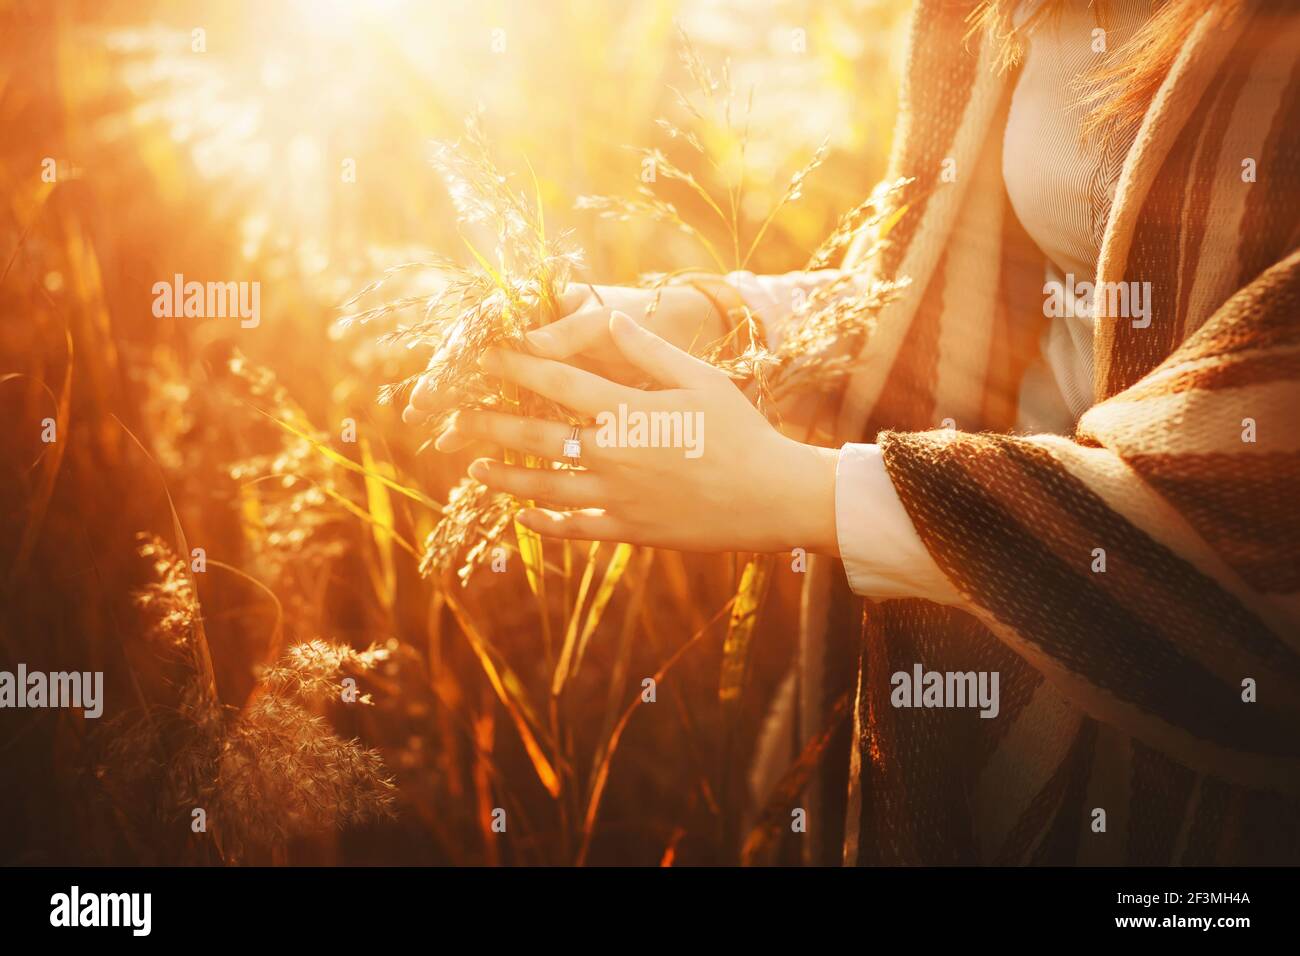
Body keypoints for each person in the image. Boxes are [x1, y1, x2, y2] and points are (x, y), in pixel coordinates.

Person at [406, 0, 1300, 864]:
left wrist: (804, 493)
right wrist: (699, 319)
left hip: (1132, 689)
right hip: (968, 635)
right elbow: (933, 281)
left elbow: (1267, 501)